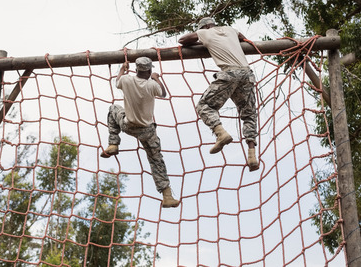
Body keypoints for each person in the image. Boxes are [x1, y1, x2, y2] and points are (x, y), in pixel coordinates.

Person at [178, 17, 259, 171]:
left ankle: (220, 133)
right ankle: (252, 155)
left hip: (229, 73)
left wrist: (201, 37)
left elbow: (182, 40)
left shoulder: (205, 32)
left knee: (204, 105)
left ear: (204, 27)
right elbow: (242, 37)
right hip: (247, 74)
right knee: (249, 114)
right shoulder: (230, 29)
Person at [100, 57, 180, 208]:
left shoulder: (126, 80)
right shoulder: (151, 84)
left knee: (113, 109)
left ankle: (113, 144)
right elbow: (163, 94)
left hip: (128, 125)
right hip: (148, 131)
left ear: (136, 70)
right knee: (156, 160)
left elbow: (117, 81)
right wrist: (156, 79)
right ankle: (167, 196)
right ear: (149, 71)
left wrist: (123, 69)